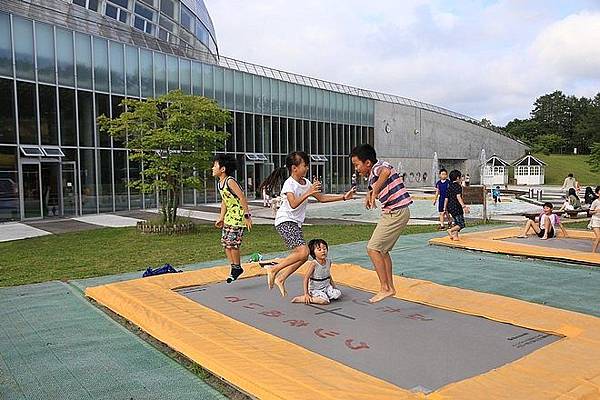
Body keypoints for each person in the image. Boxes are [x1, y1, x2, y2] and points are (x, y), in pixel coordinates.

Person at [262, 151, 355, 296]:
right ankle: (274, 269)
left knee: (303, 256)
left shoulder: (307, 183)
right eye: (305, 165)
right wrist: (309, 192)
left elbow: (322, 198)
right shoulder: (289, 184)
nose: (307, 168)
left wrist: (344, 197)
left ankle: (281, 278)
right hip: (285, 220)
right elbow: (293, 204)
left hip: (295, 223)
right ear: (294, 168)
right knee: (304, 252)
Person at [351, 144, 412, 303]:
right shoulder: (373, 174)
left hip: (395, 212)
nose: (356, 169)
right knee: (382, 251)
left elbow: (385, 172)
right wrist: (369, 193)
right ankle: (389, 288)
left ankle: (385, 288)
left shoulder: (379, 167)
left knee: (373, 249)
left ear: (368, 163)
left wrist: (375, 192)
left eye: (357, 165)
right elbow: (375, 184)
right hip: (394, 212)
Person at [212, 154, 253, 283]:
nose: (212, 168)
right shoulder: (220, 183)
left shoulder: (230, 181)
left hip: (238, 217)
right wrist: (221, 217)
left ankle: (237, 267)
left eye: (215, 166)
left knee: (232, 244)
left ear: (223, 169)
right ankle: (234, 267)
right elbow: (224, 201)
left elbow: (242, 197)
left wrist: (247, 216)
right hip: (229, 217)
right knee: (225, 244)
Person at [291, 239, 341, 305]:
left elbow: (328, 275)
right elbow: (306, 279)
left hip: (326, 287)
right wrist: (306, 294)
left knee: (337, 294)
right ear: (313, 253)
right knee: (324, 301)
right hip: (316, 289)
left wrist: (334, 286)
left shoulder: (328, 262)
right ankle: (304, 298)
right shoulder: (314, 264)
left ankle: (325, 294)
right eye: (319, 250)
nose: (323, 251)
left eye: (324, 249)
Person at [444, 170, 470, 241]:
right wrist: (463, 206)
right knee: (461, 224)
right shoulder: (458, 186)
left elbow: (446, 198)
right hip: (456, 207)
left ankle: (455, 236)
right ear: (458, 178)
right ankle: (451, 230)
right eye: (461, 177)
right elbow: (458, 196)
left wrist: (445, 208)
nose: (462, 179)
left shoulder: (449, 186)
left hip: (450, 207)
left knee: (456, 222)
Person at [590, 186, 600, 253]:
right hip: (595, 220)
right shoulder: (595, 202)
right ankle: (593, 252)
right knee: (598, 237)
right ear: (597, 194)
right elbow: (590, 212)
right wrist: (596, 211)